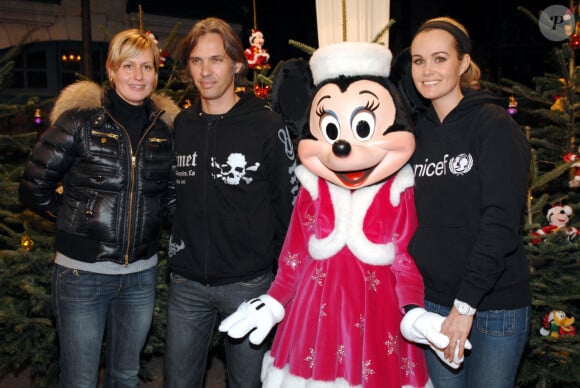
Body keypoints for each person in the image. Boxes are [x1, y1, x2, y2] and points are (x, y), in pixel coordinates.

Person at [19, 28, 180, 387]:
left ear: (156, 73)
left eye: (147, 67)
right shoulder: (81, 120)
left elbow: (168, 198)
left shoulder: (164, 130)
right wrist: (74, 219)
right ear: (111, 70)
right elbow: (33, 185)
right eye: (128, 66)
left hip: (140, 275)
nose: (138, 77)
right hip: (82, 276)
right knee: (79, 380)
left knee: (125, 376)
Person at [163, 17, 296, 388]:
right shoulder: (183, 125)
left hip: (249, 287)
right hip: (187, 286)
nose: (206, 71)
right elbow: (173, 197)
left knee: (248, 384)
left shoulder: (267, 126)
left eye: (216, 59)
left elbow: (289, 210)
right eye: (196, 61)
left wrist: (283, 283)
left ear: (237, 63)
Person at [402, 16, 532, 387]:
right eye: (418, 60)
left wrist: (466, 305)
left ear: (463, 63)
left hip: (493, 306)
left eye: (440, 59)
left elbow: (501, 224)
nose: (427, 70)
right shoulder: (417, 134)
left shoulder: (492, 125)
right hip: (434, 304)